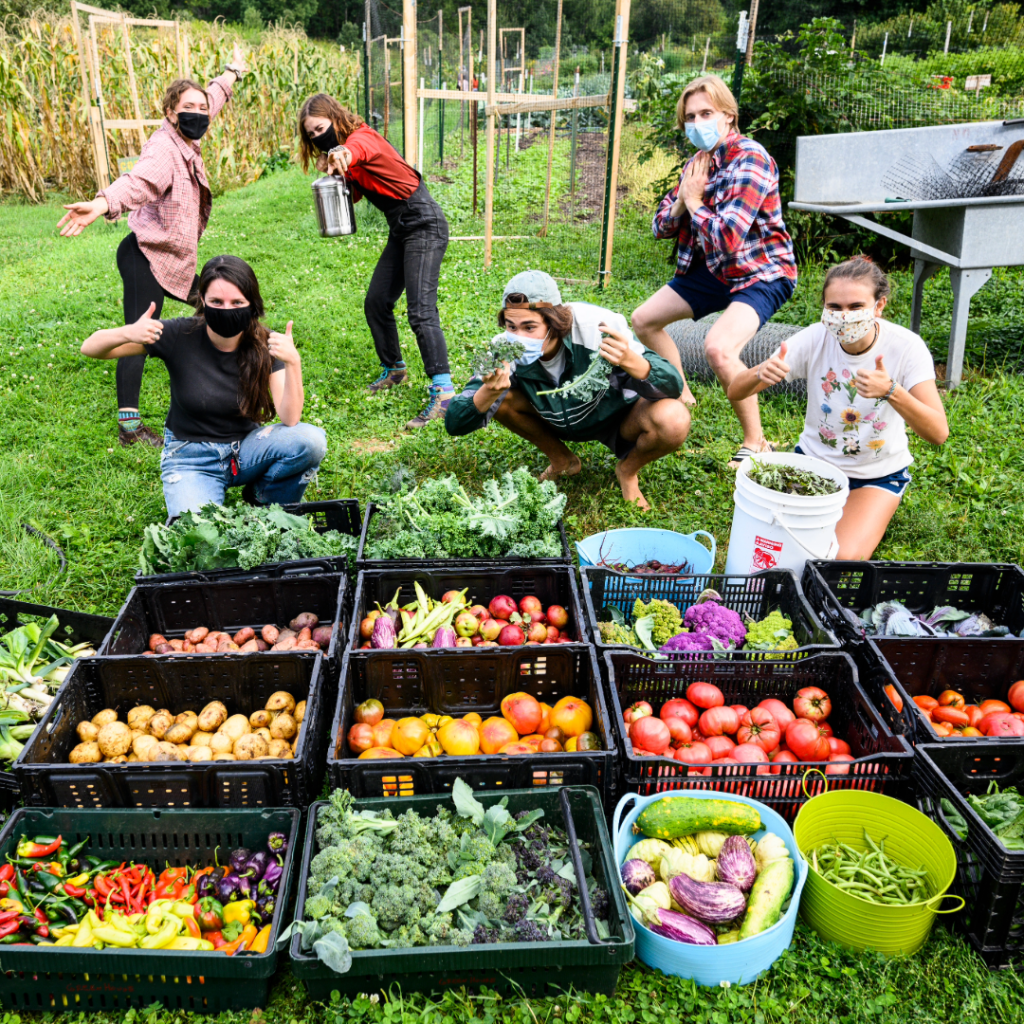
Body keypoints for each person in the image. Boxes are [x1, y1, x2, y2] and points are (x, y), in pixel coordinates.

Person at [57, 44, 250, 448]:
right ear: (170, 113)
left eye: (201, 107)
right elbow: (138, 181)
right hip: (144, 256)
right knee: (140, 334)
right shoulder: (164, 149)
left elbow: (215, 95)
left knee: (216, 303)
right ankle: (129, 428)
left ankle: (230, 372)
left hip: (172, 260)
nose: (199, 112)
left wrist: (232, 70)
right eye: (189, 107)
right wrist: (100, 203)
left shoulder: (193, 124)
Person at [728, 257, 949, 560]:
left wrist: (891, 391)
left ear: (879, 306)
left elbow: (938, 432)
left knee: (837, 560)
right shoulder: (814, 338)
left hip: (877, 476)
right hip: (813, 465)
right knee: (778, 550)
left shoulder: (907, 348)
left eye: (856, 307)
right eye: (834, 307)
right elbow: (735, 390)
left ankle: (873, 510)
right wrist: (759, 373)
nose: (844, 317)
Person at [631, 74, 797, 468]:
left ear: (728, 116)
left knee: (719, 348)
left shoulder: (751, 159)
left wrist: (692, 200)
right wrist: (682, 203)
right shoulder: (698, 163)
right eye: (690, 117)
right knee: (644, 320)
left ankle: (757, 442)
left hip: (759, 272)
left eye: (706, 113)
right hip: (711, 271)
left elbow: (728, 237)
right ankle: (682, 390)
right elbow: (659, 226)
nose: (696, 123)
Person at [80, 255, 326, 519]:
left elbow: (290, 418)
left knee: (311, 441)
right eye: (217, 302)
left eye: (237, 302)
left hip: (246, 451)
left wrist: (293, 362)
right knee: (196, 535)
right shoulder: (179, 334)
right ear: (203, 302)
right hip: (191, 458)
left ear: (251, 305)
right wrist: (127, 332)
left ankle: (263, 501)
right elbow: (91, 348)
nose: (227, 309)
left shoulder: (265, 342)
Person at [445, 271, 690, 510]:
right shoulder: (502, 349)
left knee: (674, 418)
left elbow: (672, 385)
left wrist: (631, 361)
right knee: (500, 396)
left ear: (554, 322)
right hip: (553, 420)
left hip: (618, 419)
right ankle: (562, 460)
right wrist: (488, 390)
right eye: (511, 326)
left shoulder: (596, 327)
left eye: (529, 327)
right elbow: (454, 423)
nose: (518, 337)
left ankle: (627, 471)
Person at [298, 93, 453, 429]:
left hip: (423, 222)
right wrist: (336, 171)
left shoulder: (362, 137)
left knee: (421, 311)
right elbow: (353, 194)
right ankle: (395, 370)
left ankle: (444, 394)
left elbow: (358, 150)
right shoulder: (346, 156)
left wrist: (341, 154)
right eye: (311, 135)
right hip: (401, 227)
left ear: (336, 119)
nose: (317, 137)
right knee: (377, 301)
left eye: (320, 129)